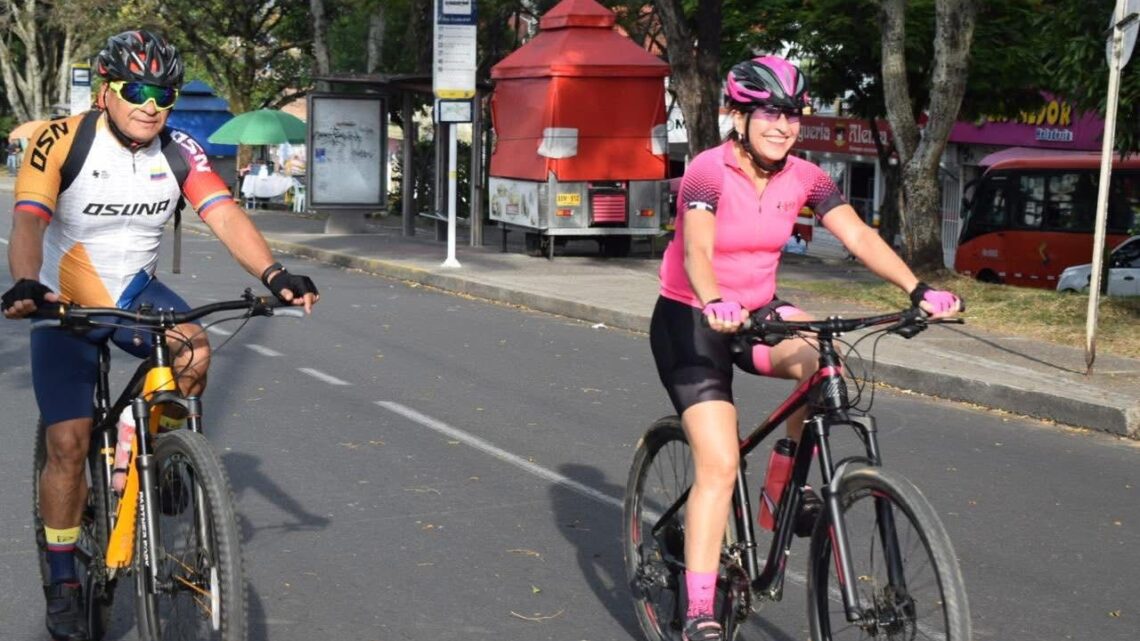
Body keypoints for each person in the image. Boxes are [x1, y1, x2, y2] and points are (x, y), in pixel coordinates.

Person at [1, 30, 320, 641]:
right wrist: (23, 282)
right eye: (137, 90)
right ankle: (64, 577)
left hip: (134, 293)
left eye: (164, 93)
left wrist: (274, 274)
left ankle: (164, 454)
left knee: (195, 347)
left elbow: (224, 212)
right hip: (63, 302)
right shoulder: (59, 140)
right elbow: (29, 219)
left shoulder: (180, 149)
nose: (151, 104)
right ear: (106, 91)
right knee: (67, 444)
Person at [649, 55, 962, 641]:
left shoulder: (808, 178)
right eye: (769, 112)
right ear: (739, 116)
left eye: (792, 113)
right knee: (717, 464)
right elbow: (695, 250)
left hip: (758, 314)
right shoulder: (706, 173)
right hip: (693, 317)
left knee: (823, 362)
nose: (783, 124)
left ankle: (778, 491)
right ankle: (697, 610)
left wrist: (918, 289)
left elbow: (858, 234)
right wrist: (715, 298)